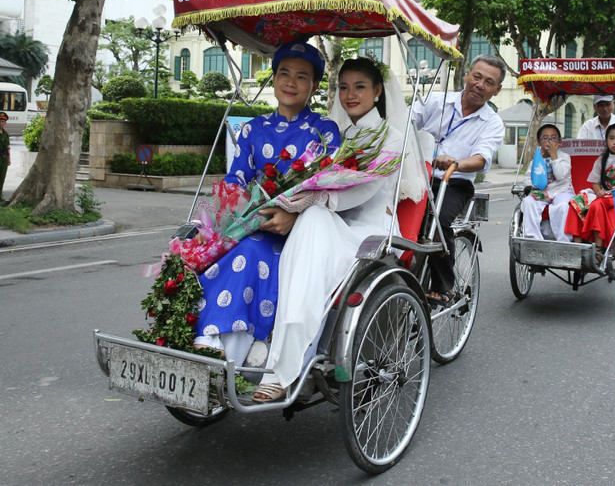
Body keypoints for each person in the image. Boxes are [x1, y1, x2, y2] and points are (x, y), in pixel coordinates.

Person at [252, 56, 417, 402]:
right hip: (332, 224)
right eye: (343, 87)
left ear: (377, 92)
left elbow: (365, 188)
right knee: (297, 230)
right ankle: (270, 350)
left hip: (372, 235)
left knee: (311, 220)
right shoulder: (337, 135)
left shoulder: (393, 136)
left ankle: (283, 368)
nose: (350, 95)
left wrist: (310, 202)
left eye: (359, 87)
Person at [193, 41, 341, 364]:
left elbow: (331, 188)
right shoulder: (252, 129)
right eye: (284, 74)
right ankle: (207, 343)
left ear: (314, 86)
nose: (291, 82)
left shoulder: (325, 132)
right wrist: (214, 223)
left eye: (302, 77)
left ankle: (218, 348)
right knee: (202, 249)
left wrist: (293, 217)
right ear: (272, 79)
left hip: (298, 233)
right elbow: (235, 182)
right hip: (249, 224)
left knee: (248, 251)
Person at [411, 54, 505, 303]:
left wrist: (456, 162)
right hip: (417, 174)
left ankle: (445, 286)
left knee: (438, 222)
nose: (480, 84)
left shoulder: (493, 122)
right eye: (477, 76)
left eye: (488, 82)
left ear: (496, 90)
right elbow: (407, 122)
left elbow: (482, 158)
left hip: (455, 182)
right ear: (466, 75)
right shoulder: (436, 101)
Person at [565, 123, 615, 259]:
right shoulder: (602, 159)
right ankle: (577, 244)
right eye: (612, 138)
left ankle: (599, 247)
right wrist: (599, 191)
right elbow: (595, 183)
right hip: (604, 196)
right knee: (576, 202)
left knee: (597, 205)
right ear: (607, 141)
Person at [521, 124, 573, 242]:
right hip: (543, 192)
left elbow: (560, 175)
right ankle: (533, 239)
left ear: (559, 142)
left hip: (561, 191)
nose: (549, 141)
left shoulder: (564, 157)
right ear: (539, 142)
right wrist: (535, 188)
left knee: (562, 207)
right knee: (528, 202)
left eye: (553, 138)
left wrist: (554, 156)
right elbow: (528, 178)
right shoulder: (536, 160)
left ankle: (564, 241)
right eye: (545, 138)